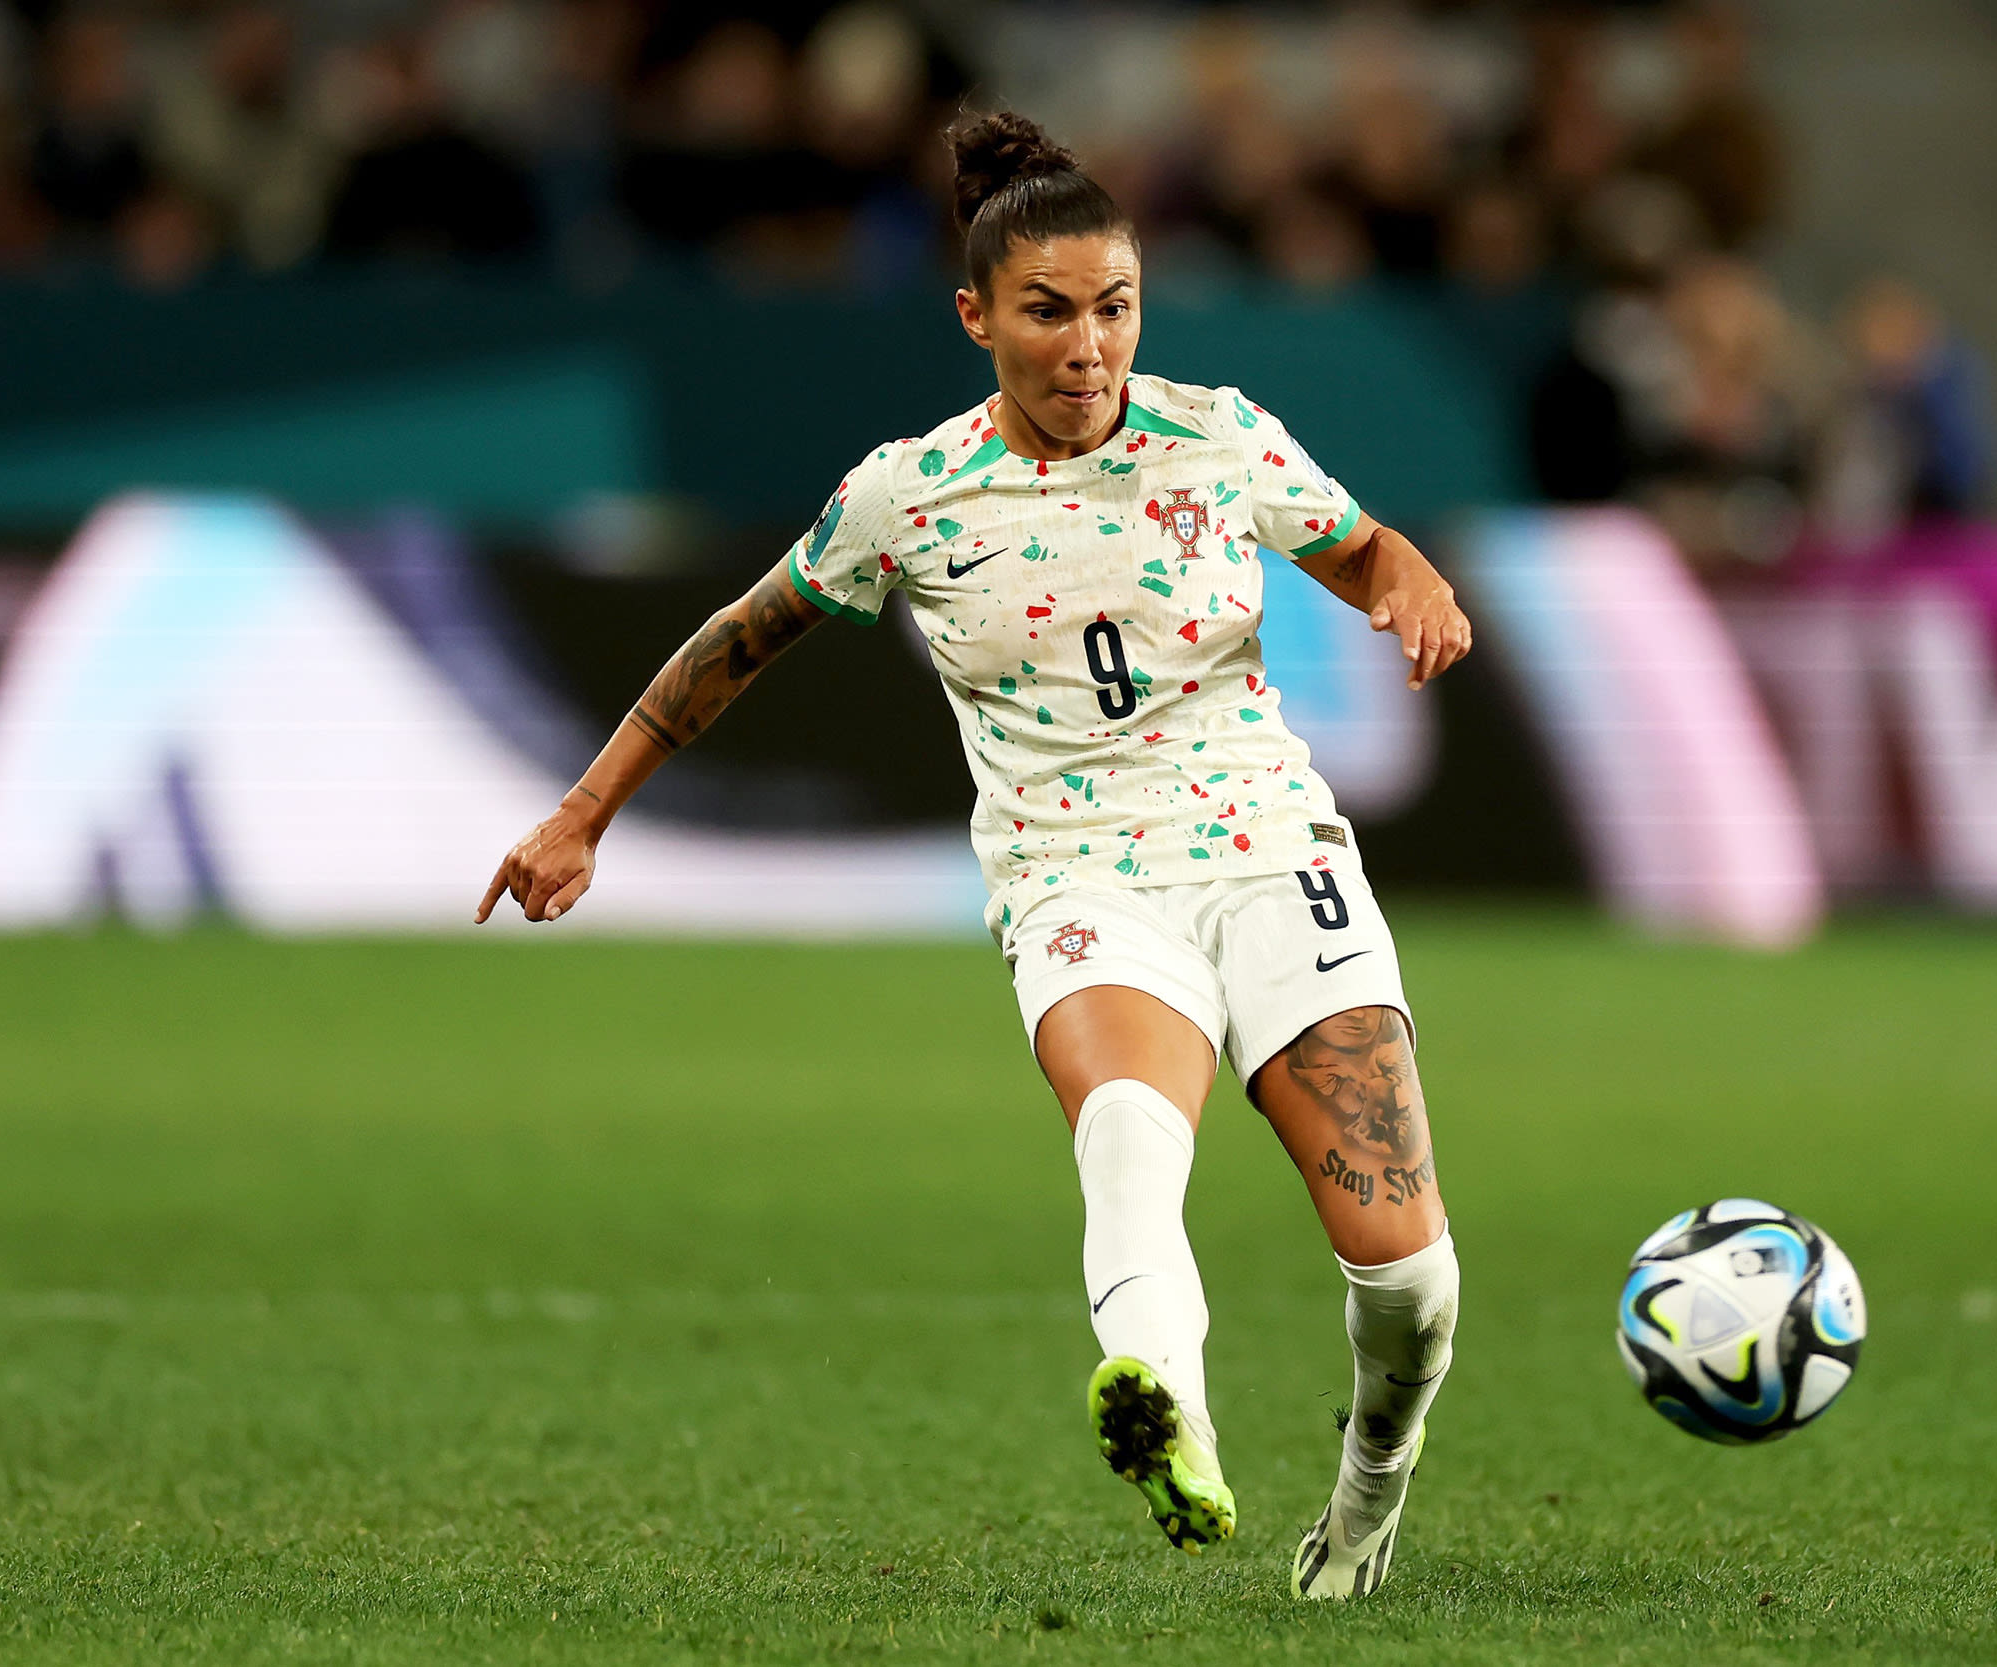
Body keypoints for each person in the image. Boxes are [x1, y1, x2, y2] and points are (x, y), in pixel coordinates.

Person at [476, 110, 1470, 1602]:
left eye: (1115, 307)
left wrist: (1417, 586)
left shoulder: (1221, 437)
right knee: (1127, 1136)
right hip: (1077, 876)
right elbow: (742, 637)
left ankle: (1367, 1496)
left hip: (1271, 848)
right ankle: (1168, 1410)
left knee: (1408, 1277)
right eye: (1049, 312)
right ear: (976, 317)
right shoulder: (912, 493)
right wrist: (582, 812)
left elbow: (1367, 548)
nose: (1089, 346)